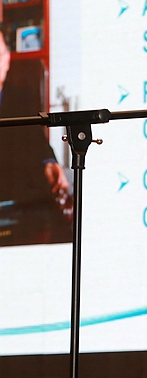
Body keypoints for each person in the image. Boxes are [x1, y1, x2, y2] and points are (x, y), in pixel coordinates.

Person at [0, 30, 71, 246]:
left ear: (8, 59)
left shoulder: (20, 98)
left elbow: (36, 140)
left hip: (17, 196)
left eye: (0, 55)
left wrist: (49, 163)